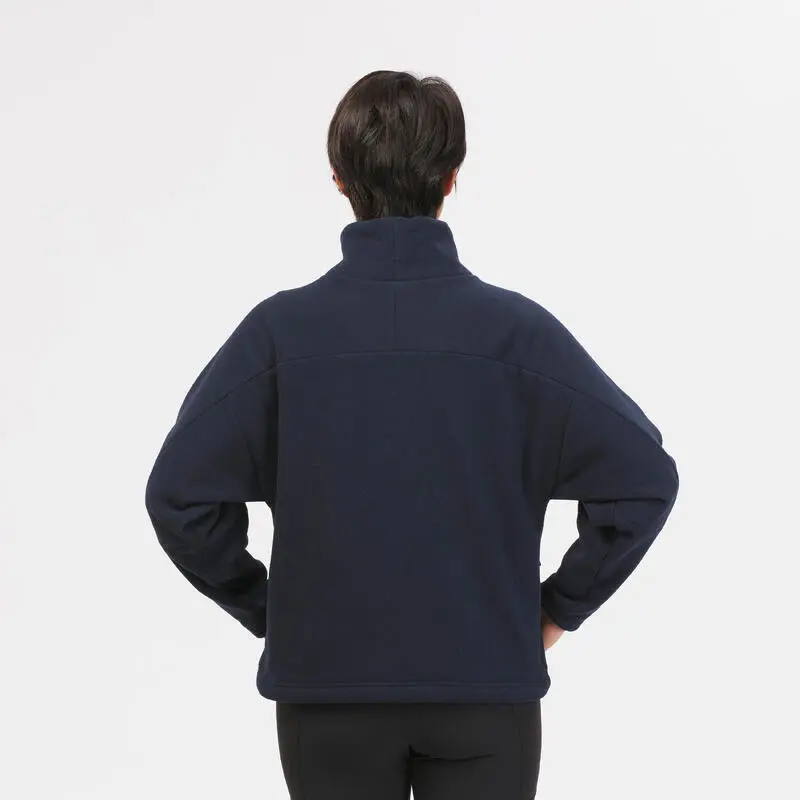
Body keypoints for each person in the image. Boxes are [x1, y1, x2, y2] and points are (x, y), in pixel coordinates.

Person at [144, 69, 679, 800]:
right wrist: (558, 607)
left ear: (339, 179)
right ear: (452, 179)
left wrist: (272, 610)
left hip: (328, 692)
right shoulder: (518, 335)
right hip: (485, 693)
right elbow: (643, 478)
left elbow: (179, 496)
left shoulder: (279, 336)